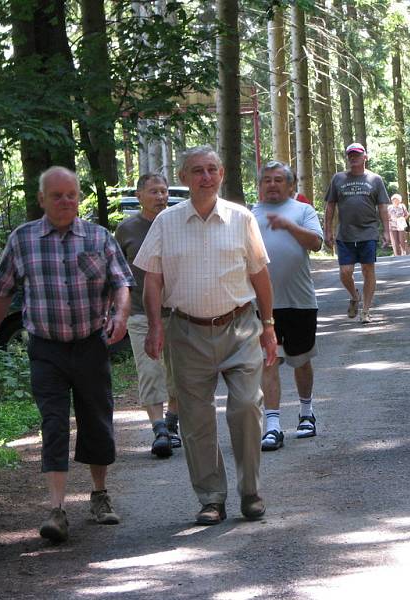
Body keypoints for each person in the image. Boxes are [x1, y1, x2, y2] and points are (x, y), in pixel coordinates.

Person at [0, 166, 135, 543]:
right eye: (57, 195)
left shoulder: (98, 237)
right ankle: (57, 509)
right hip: (46, 348)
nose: (65, 201)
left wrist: (121, 314)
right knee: (54, 422)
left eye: (71, 195)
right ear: (42, 199)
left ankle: (99, 496)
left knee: (97, 418)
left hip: (91, 344)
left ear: (79, 198)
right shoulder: (23, 239)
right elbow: (1, 294)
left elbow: (121, 282)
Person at [134, 145, 277, 526]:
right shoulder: (166, 222)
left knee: (247, 406)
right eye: (197, 171)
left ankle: (251, 492)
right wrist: (155, 324)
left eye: (212, 169)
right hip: (187, 331)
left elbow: (260, 274)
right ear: (183, 178)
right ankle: (211, 498)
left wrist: (268, 326)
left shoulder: (241, 218)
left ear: (222, 174)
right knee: (197, 420)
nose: (206, 177)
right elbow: (153, 278)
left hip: (240, 326)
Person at [252, 160, 323, 451]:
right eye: (266, 180)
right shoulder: (249, 215)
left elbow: (317, 243)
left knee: (301, 359)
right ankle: (272, 426)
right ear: (259, 185)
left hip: (300, 301)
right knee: (268, 361)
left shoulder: (302, 210)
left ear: (291, 185)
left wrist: (289, 226)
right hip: (261, 305)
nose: (272, 184)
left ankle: (306, 413)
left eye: (278, 179)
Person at [115, 172, 181, 458]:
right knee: (150, 370)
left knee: (178, 373)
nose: (160, 197)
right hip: (141, 312)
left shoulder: (178, 224)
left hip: (179, 311)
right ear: (139, 196)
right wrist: (116, 309)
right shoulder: (127, 229)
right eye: (153, 192)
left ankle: (172, 422)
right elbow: (116, 273)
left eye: (164, 191)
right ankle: (159, 430)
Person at [324, 142, 391, 324]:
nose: (353, 158)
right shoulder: (338, 179)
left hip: (368, 231)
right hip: (345, 233)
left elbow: (383, 207)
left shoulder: (375, 180)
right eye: (350, 155)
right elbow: (330, 206)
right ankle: (354, 296)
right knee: (346, 271)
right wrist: (327, 230)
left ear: (365, 157)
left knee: (368, 268)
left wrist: (386, 230)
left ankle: (366, 311)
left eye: (357, 154)